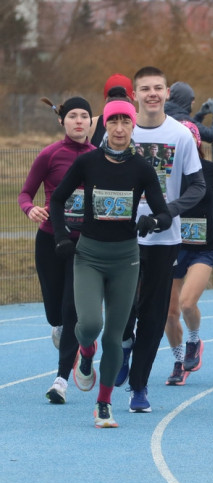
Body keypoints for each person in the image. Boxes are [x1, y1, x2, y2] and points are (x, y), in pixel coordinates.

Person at [49, 93, 172, 427]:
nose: (119, 128)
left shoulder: (142, 167)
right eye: (113, 120)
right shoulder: (87, 163)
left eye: (125, 121)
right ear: (104, 125)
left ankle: (103, 405)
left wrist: (153, 222)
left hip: (125, 259)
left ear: (133, 126)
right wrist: (61, 236)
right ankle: (84, 352)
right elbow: (58, 200)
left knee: (114, 336)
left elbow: (164, 212)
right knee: (89, 326)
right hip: (88, 255)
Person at [119, 67, 205, 414]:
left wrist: (168, 211)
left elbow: (198, 186)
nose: (151, 94)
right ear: (134, 95)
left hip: (163, 238)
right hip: (122, 237)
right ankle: (123, 344)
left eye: (157, 88)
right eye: (145, 89)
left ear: (168, 93)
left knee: (154, 316)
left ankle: (139, 386)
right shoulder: (120, 130)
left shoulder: (180, 136)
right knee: (124, 309)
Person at [19, 97, 95, 403]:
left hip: (83, 246)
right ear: (62, 121)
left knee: (71, 309)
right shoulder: (50, 155)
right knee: (55, 313)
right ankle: (65, 332)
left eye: (84, 116)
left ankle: (61, 379)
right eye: (72, 116)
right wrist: (30, 209)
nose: (78, 121)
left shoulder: (98, 157)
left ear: (92, 122)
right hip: (49, 240)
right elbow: (25, 193)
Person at [163, 121, 213, 385]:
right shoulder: (164, 170)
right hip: (171, 245)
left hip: (202, 248)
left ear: (196, 143)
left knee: (187, 303)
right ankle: (177, 361)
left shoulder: (212, 172)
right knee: (169, 312)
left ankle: (194, 340)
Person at [90, 74, 134, 147]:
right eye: (113, 98)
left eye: (123, 99)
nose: (119, 129)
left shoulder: (141, 124)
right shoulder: (93, 125)